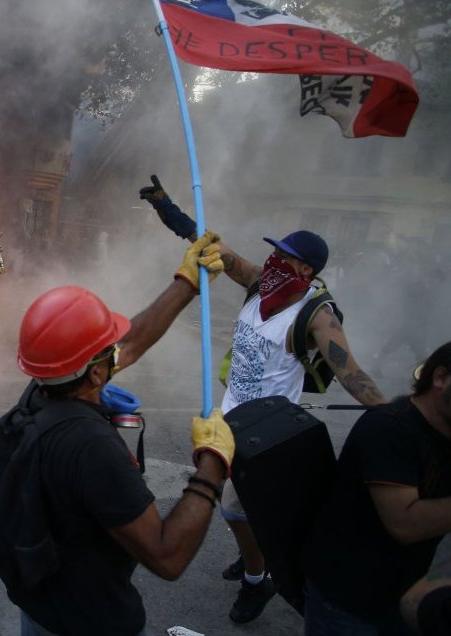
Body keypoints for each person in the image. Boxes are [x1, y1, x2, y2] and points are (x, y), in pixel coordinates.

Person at [140, 176, 387, 623]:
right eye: (274, 252)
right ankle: (254, 553)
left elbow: (351, 372)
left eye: (285, 258)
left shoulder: (317, 314)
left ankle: (260, 579)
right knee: (245, 511)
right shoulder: (261, 283)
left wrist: (394, 416)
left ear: (307, 271)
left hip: (266, 430)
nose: (273, 260)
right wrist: (168, 210)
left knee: (233, 509)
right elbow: (214, 247)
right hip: (231, 414)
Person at [5, 280, 234, 635]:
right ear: (96, 373)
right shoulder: (92, 448)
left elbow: (130, 343)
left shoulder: (39, 393)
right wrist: (213, 462)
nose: (117, 351)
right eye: (105, 350)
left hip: (41, 607)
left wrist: (185, 284)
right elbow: (167, 556)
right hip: (90, 622)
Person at [300, 339, 451, 635]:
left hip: (401, 592)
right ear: (441, 378)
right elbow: (404, 524)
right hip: (347, 601)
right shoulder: (389, 430)